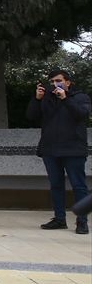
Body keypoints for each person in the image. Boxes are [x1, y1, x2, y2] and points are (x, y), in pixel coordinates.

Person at [27, 69, 89, 235]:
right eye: (52, 82)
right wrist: (37, 99)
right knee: (56, 185)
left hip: (73, 149)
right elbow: (31, 116)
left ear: (68, 82)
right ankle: (59, 219)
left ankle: (82, 221)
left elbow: (81, 114)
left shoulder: (80, 97)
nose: (55, 84)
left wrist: (65, 99)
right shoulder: (47, 98)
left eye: (59, 81)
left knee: (79, 186)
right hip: (51, 149)